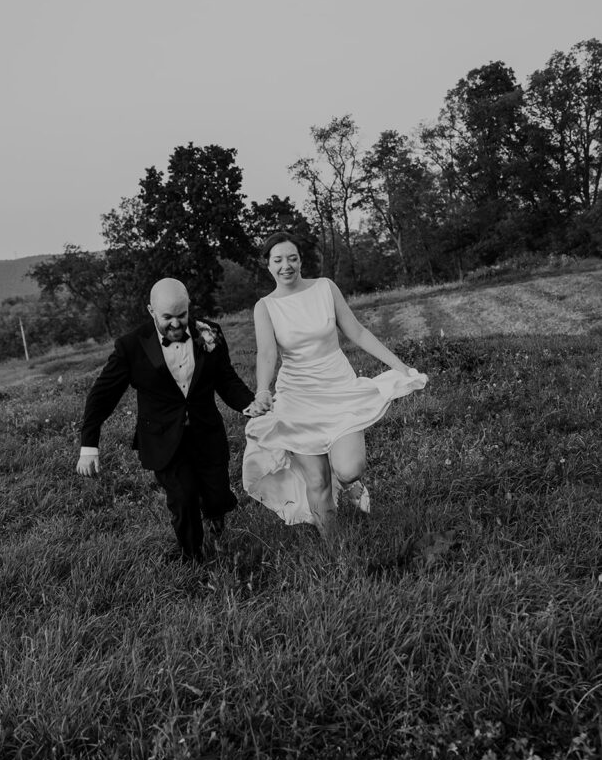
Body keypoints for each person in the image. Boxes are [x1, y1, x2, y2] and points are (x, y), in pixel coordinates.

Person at [242, 233, 428, 537]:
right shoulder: (265, 307)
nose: (286, 266)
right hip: (297, 398)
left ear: (301, 260)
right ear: (269, 266)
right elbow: (266, 354)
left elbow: (357, 331)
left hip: (339, 388)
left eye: (292, 258)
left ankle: (347, 485)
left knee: (349, 468)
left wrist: (401, 367)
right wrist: (263, 391)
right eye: (278, 260)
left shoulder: (324, 288)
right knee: (316, 480)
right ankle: (335, 552)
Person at [76, 277, 257, 564]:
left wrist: (251, 404)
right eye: (167, 317)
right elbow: (102, 396)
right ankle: (192, 558)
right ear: (151, 311)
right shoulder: (131, 346)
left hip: (206, 433)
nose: (176, 324)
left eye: (182, 315)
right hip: (162, 439)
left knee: (216, 495)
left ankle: (215, 518)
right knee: (183, 498)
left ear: (189, 307)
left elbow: (226, 379)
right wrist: (89, 446)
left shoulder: (210, 332)